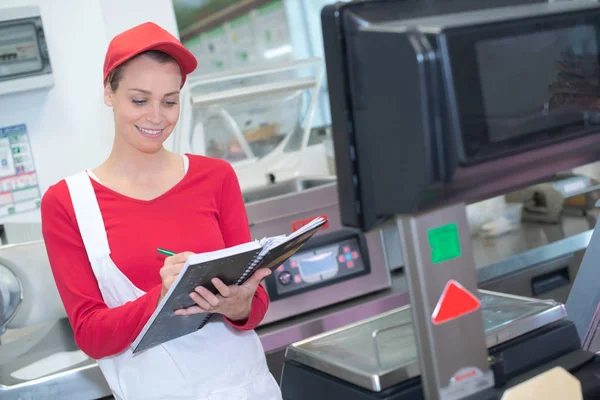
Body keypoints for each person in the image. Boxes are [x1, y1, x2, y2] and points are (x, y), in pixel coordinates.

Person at [41, 22, 282, 400]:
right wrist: (163, 295)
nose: (157, 117)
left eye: (170, 101)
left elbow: (255, 302)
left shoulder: (216, 177)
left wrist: (240, 304)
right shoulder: (68, 202)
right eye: (140, 100)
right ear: (109, 92)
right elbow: (90, 334)